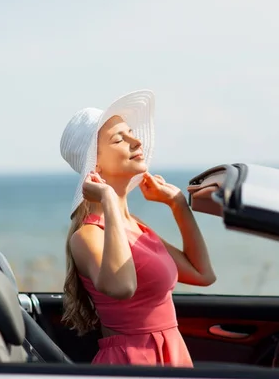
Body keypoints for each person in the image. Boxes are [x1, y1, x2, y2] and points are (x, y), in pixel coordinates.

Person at [59, 89, 216, 367]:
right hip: (131, 364)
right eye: (120, 138)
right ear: (94, 163)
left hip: (170, 356)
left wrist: (179, 204)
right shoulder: (89, 235)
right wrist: (107, 199)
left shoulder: (135, 227)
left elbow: (203, 274)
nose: (135, 140)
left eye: (132, 132)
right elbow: (123, 286)